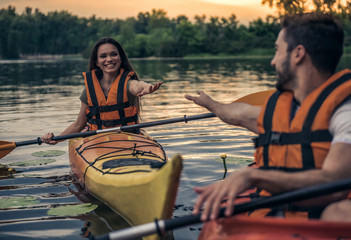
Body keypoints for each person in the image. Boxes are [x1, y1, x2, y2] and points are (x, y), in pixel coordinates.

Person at [185, 12, 351, 221]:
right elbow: (238, 114)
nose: (273, 61)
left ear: (298, 54)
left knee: (338, 213)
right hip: (274, 217)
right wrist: (210, 103)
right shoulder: (283, 110)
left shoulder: (345, 113)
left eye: (277, 50)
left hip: (320, 222)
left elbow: (334, 185)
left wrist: (254, 176)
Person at [42, 37, 162, 144]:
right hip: (97, 142)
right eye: (103, 56)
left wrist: (147, 87)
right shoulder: (89, 90)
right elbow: (79, 124)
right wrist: (56, 139)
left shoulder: (128, 83)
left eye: (114, 54)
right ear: (97, 62)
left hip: (129, 139)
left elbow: (138, 86)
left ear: (120, 58)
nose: (109, 59)